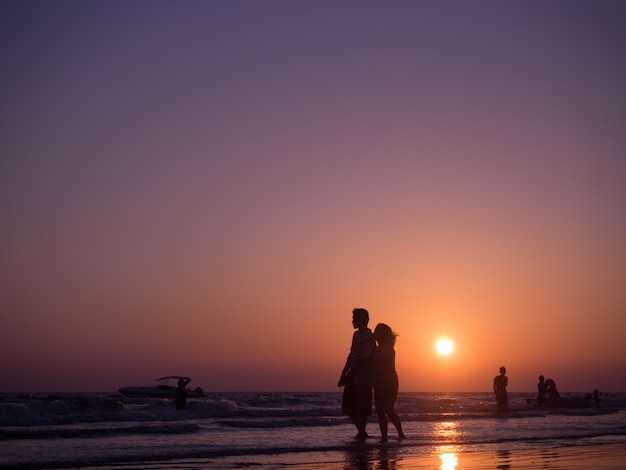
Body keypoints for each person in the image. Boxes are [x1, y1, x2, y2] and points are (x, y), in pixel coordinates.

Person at [338, 308, 376, 440]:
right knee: (347, 406)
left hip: (363, 378)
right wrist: (344, 373)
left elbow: (365, 360)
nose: (352, 321)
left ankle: (362, 432)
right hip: (352, 377)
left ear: (364, 320)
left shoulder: (369, 337)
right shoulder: (355, 335)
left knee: (361, 407)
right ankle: (361, 431)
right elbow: (352, 354)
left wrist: (350, 373)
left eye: (355, 319)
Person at [372, 323, 405, 441]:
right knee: (380, 410)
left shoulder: (388, 349)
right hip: (377, 382)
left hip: (388, 382)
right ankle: (384, 436)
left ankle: (401, 433)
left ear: (383, 335)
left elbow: (389, 368)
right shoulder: (376, 349)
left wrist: (384, 384)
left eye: (377, 332)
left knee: (388, 408)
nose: (374, 334)